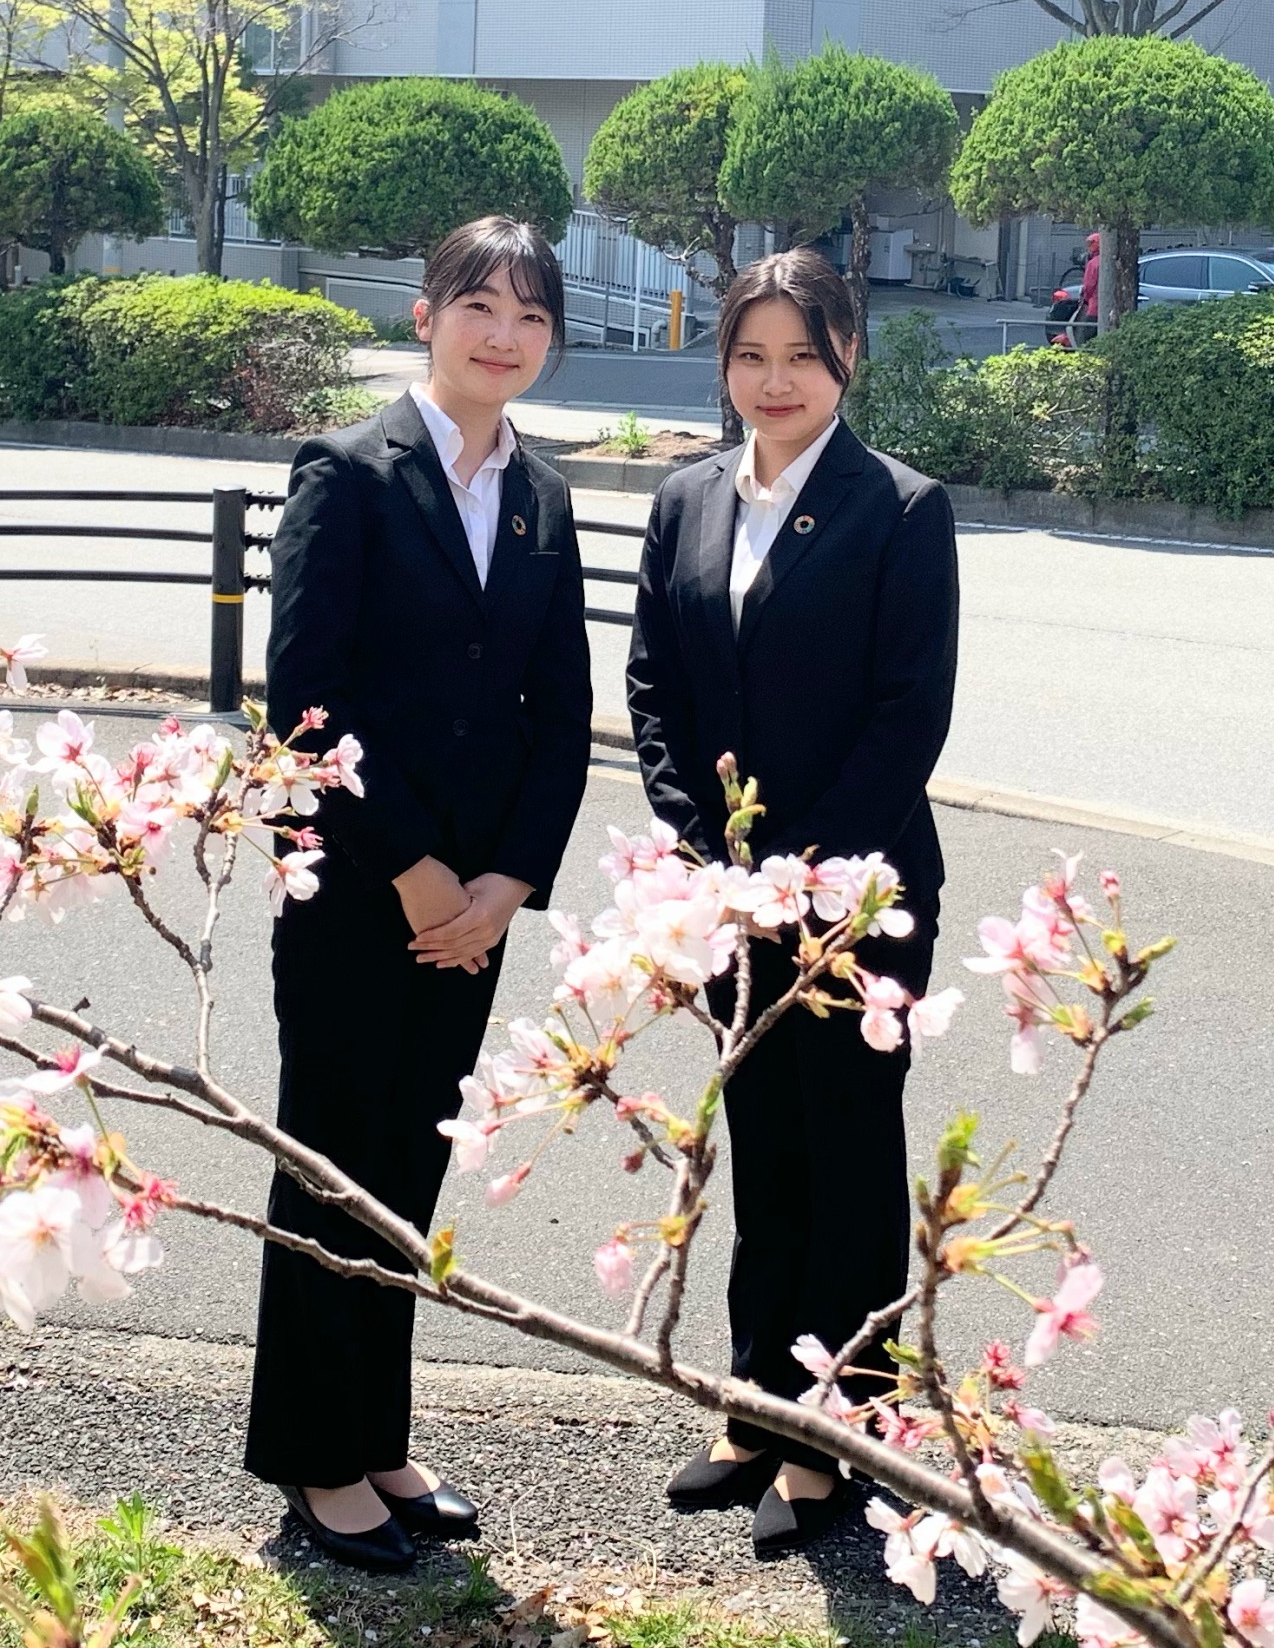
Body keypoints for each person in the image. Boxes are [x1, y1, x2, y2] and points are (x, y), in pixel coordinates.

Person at [247, 217, 593, 1571]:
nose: (503, 335)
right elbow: (303, 697)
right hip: (356, 887)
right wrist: (412, 866)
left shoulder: (541, 493)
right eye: (479, 307)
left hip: (474, 910)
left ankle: (377, 1436)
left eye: (530, 315)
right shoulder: (346, 471)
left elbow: (558, 711)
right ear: (424, 316)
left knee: (407, 1165)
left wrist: (509, 880)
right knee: (331, 1160)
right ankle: (313, 1455)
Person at [623, 249, 962, 1559]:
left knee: (848, 1157)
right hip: (727, 896)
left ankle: (840, 1434)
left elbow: (906, 720)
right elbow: (654, 685)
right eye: (751, 356)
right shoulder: (688, 498)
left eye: (802, 357)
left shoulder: (902, 509)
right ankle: (757, 1404)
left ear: (848, 358)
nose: (775, 382)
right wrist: (703, 849)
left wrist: (798, 874)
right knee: (762, 1143)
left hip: (857, 894)